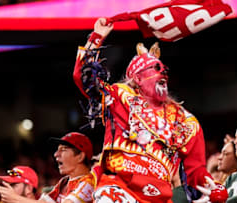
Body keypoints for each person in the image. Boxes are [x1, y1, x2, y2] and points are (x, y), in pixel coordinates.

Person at [73, 18, 227, 203]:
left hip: (158, 197)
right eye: (156, 69)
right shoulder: (120, 97)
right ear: (137, 78)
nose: (163, 73)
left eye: (164, 69)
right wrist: (97, 36)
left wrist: (214, 186)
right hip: (118, 188)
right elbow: (84, 75)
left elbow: (195, 171)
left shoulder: (185, 120)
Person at [0, 132, 95, 203]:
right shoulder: (64, 182)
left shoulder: (90, 182)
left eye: (63, 150)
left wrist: (14, 198)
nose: (56, 154)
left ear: (80, 157)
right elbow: (43, 202)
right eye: (57, 150)